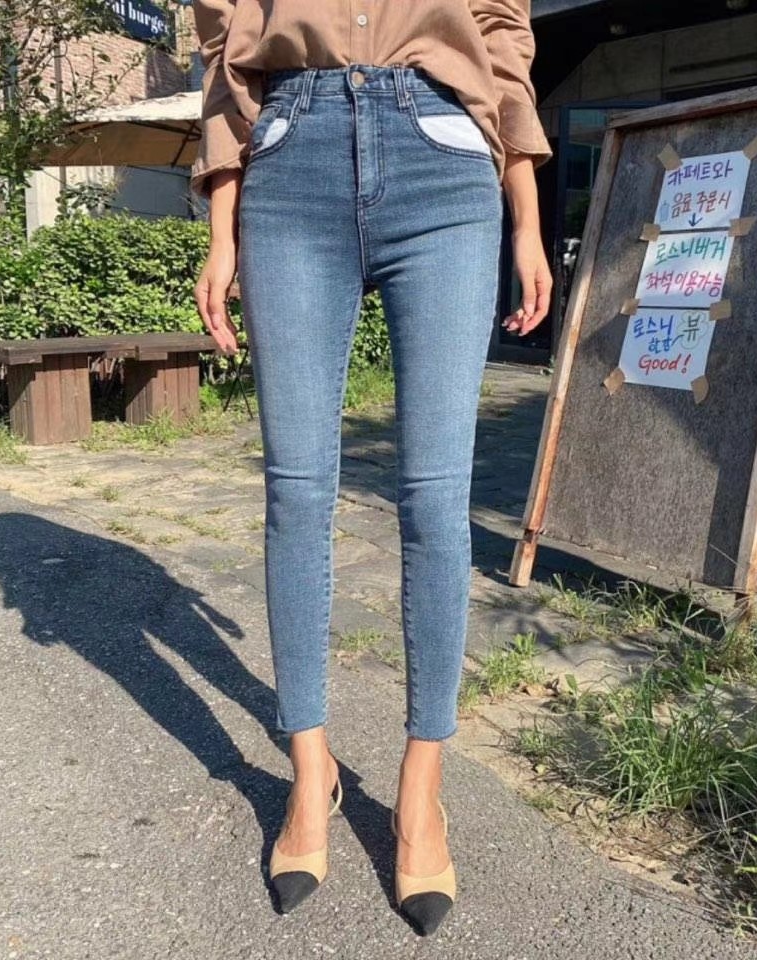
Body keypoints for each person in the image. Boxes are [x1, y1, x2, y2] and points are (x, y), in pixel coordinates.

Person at [191, 0, 553, 937]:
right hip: (291, 155)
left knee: (436, 494)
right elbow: (226, 51)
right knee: (296, 488)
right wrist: (223, 228)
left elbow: (502, 41)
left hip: (444, 155)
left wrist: (526, 218)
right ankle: (310, 774)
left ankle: (421, 788)